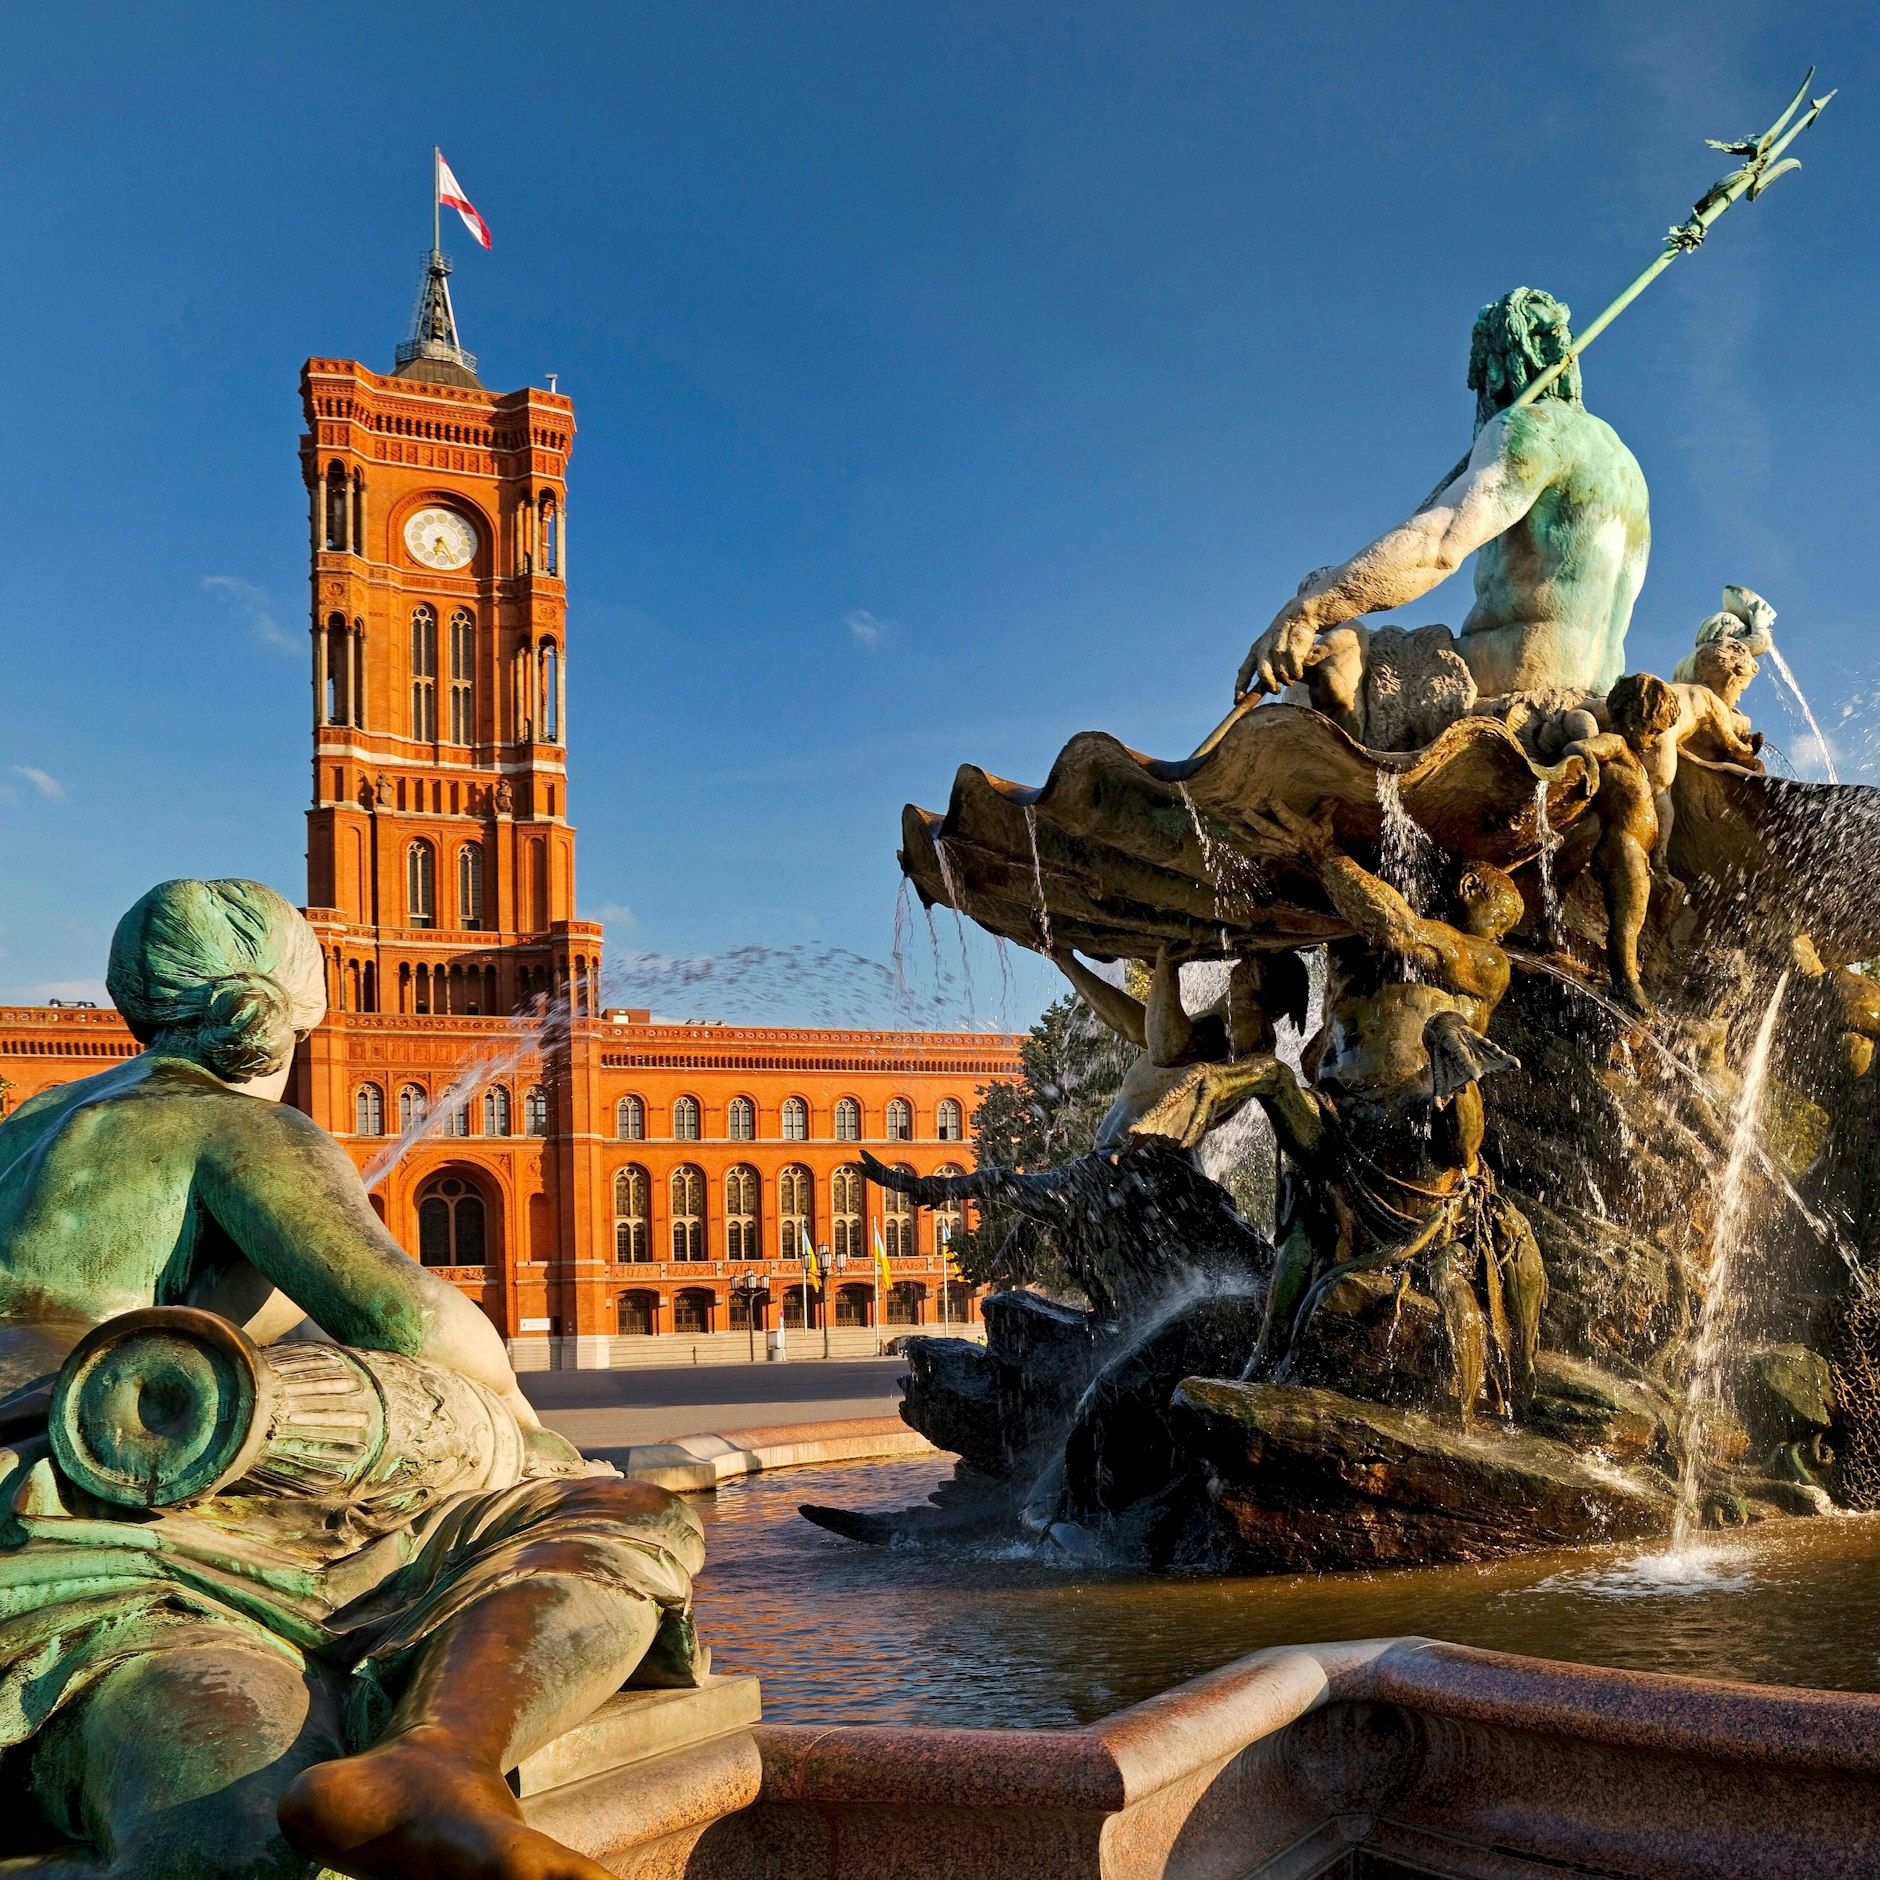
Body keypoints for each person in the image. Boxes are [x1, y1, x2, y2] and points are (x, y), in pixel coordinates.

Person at [0, 879, 703, 1880]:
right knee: (615, 1511)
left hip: (47, 1555)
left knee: (231, 1812)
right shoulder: (234, 1124)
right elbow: (411, 1319)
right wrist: (518, 1434)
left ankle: (421, 1775)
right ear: (302, 1005)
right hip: (116, 1517)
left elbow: (229, 1313)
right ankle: (437, 1756)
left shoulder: (29, 1129)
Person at [1237, 806, 1543, 1419]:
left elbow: (1400, 930)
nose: (1495, 928)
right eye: (1495, 914)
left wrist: (1323, 855)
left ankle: (1492, 1403)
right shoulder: (1353, 950)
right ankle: (1265, 1360)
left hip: (1419, 1124)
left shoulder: (1483, 960)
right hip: (1344, 1122)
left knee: (1451, 1266)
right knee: (1304, 1223)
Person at [1236, 287, 1650, 712]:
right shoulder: (1624, 466)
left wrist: (1312, 607)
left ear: (1496, 364)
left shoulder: (1531, 427)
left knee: (1333, 659)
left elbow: (1436, 547)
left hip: (1507, 676)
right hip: (1595, 684)